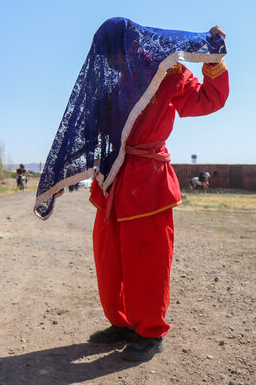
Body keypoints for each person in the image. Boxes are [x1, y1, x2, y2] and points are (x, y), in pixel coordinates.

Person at [87, 24, 229, 361]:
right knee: (110, 261)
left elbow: (208, 100)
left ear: (131, 45)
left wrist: (213, 62)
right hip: (111, 181)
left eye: (113, 52)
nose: (110, 60)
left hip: (147, 183)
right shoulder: (111, 81)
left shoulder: (167, 72)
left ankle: (149, 333)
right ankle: (121, 324)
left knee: (147, 263)